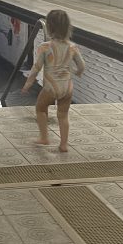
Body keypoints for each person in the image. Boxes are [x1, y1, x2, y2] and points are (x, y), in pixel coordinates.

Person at [21, 9, 85, 152]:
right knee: (63, 115)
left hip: (51, 87)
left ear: (49, 27)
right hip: (67, 87)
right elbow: (82, 66)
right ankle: (63, 144)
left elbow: (36, 68)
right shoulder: (72, 47)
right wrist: (77, 72)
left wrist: (28, 83)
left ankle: (44, 137)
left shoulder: (44, 47)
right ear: (68, 27)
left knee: (40, 108)